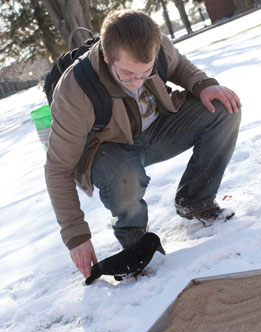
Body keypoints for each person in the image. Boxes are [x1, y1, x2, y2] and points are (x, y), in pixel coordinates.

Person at [45, 9, 242, 279]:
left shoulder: (156, 43)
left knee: (224, 108)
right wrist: (75, 234)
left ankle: (196, 200)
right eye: (127, 73)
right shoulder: (75, 91)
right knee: (125, 175)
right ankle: (135, 245)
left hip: (158, 130)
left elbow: (179, 65)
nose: (137, 83)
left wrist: (203, 85)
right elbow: (57, 169)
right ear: (106, 56)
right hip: (108, 150)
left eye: (145, 72)